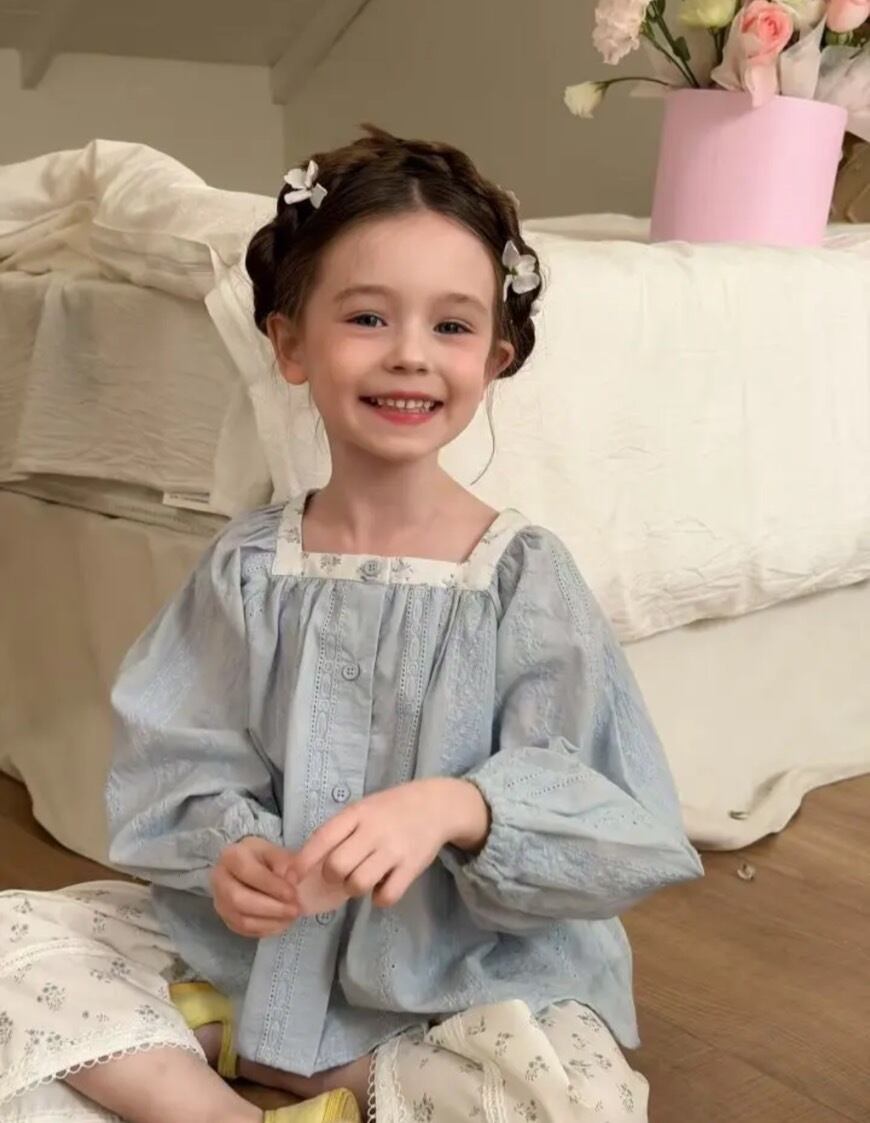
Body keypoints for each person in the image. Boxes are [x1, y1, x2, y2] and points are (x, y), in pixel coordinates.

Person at [0, 127, 703, 1123]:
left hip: (455, 977)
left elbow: (618, 818)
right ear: (291, 343)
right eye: (368, 316)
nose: (409, 353)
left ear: (495, 356)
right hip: (246, 952)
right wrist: (230, 853)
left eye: (451, 326)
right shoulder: (249, 565)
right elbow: (178, 756)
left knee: (572, 1101)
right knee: (16, 950)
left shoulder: (520, 578)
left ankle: (290, 1073)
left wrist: (460, 807)